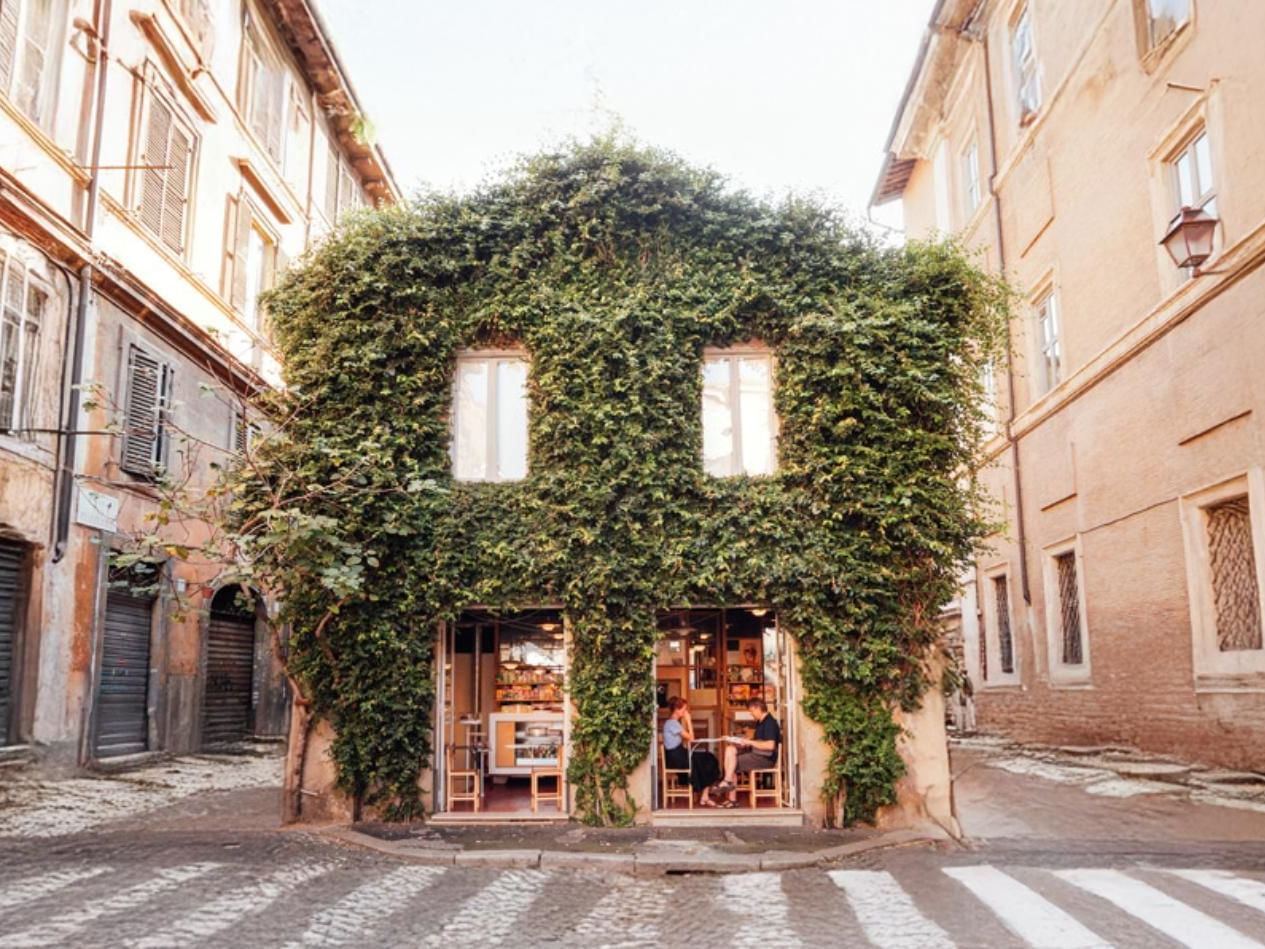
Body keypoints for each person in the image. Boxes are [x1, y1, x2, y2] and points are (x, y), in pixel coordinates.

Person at [715, 697, 781, 807]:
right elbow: (758, 742)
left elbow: (770, 745)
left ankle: (730, 792)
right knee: (730, 749)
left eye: (751, 712)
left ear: (758, 708)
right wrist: (744, 742)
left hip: (765, 758)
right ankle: (728, 786)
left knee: (732, 763)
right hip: (758, 754)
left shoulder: (770, 723)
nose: (751, 714)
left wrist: (749, 742)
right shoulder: (761, 722)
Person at [662, 697, 722, 806]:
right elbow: (692, 738)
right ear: (677, 709)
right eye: (684, 709)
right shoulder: (672, 723)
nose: (686, 712)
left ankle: (705, 795)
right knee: (708, 758)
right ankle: (705, 794)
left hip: (676, 755)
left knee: (707, 758)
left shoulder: (672, 723)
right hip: (676, 757)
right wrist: (689, 721)